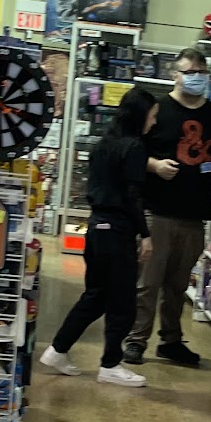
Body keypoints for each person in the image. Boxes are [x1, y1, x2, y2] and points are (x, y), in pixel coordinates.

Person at [41, 85, 176, 387]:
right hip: (117, 232)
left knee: (96, 296)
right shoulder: (135, 147)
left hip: (97, 228)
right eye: (153, 116)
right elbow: (132, 196)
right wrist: (145, 234)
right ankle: (111, 364)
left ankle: (57, 349)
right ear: (141, 115)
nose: (154, 122)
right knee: (123, 302)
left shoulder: (104, 143)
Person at [122, 48, 211, 367]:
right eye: (189, 72)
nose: (196, 78)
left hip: (194, 214)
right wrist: (155, 166)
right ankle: (136, 340)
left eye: (201, 72)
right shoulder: (158, 109)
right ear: (175, 74)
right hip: (156, 211)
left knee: (178, 285)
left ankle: (171, 342)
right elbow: (131, 152)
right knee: (148, 283)